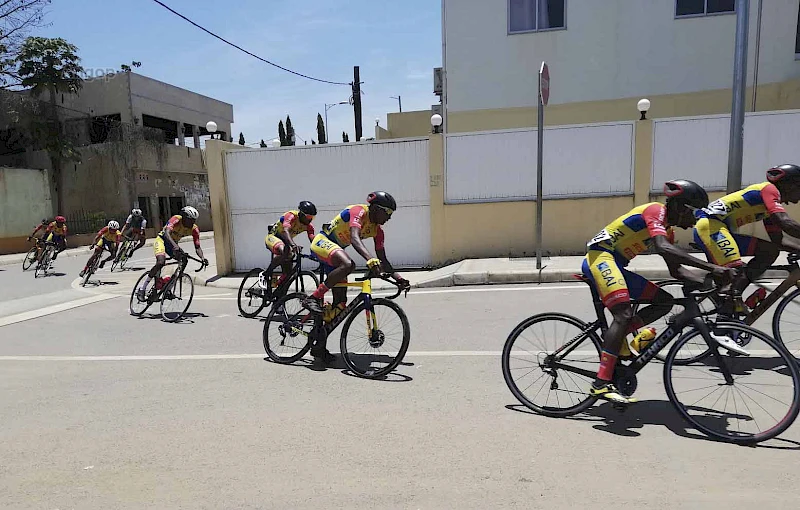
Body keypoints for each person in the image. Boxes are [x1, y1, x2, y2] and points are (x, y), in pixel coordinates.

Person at [582, 179, 739, 406]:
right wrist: (712, 266)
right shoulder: (656, 212)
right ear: (679, 207)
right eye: (693, 214)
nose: (695, 221)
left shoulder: (668, 231)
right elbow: (663, 247)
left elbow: (677, 271)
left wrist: (710, 280)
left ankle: (617, 340)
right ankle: (600, 384)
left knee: (663, 302)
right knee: (623, 314)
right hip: (600, 258)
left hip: (617, 264)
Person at [305, 191, 409, 364]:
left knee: (340, 305)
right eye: (388, 213)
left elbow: (383, 259)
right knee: (348, 265)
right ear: (376, 209)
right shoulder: (358, 211)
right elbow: (354, 238)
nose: (389, 218)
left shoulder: (378, 231)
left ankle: (318, 343)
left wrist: (399, 278)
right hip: (322, 242)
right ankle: (312, 299)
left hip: (336, 253)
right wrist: (370, 260)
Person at [693, 164, 800, 300]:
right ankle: (728, 305)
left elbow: (779, 241)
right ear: (790, 185)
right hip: (709, 227)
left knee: (769, 251)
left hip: (718, 229)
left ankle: (732, 300)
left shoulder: (768, 207)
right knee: (734, 273)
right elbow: (786, 223)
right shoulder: (769, 190)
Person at [136, 206, 207, 301]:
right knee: (161, 262)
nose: (192, 223)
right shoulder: (176, 219)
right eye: (190, 220)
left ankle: (167, 289)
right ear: (184, 217)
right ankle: (142, 288)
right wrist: (175, 246)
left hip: (172, 245)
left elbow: (197, 246)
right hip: (162, 240)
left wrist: (202, 258)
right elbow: (167, 233)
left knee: (183, 261)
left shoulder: (194, 229)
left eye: (194, 220)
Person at [261, 201, 317, 298]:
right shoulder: (291, 216)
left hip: (287, 243)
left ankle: (278, 300)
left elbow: (313, 239)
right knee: (285, 251)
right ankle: (267, 273)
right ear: (301, 214)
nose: (310, 220)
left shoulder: (308, 226)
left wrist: (318, 252)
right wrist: (293, 245)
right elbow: (285, 231)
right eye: (308, 217)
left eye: (312, 217)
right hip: (274, 237)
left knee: (288, 275)